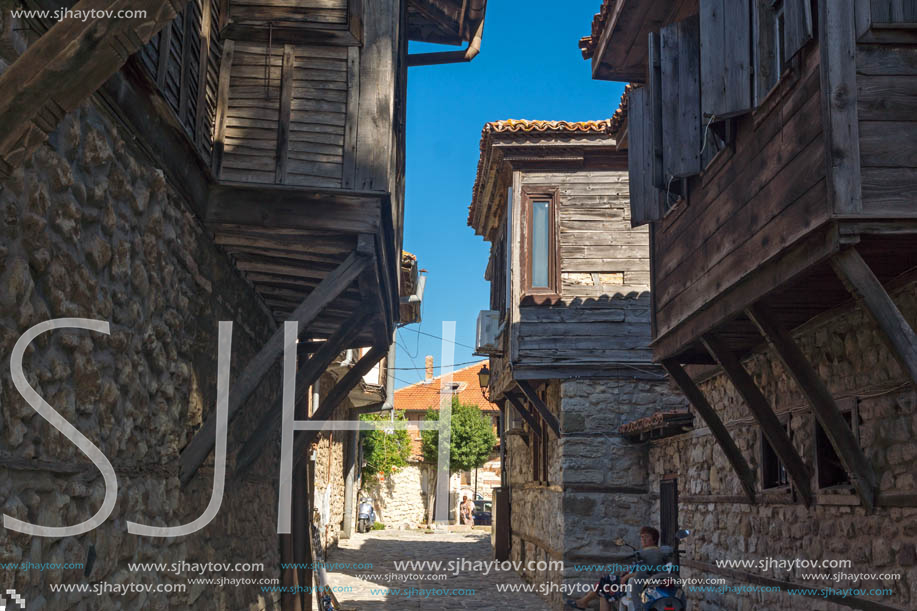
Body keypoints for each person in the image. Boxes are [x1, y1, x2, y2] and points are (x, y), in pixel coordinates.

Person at [566, 526, 660, 610]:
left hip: (635, 584)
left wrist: (627, 577)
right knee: (604, 590)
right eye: (642, 537)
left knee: (605, 582)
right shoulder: (646, 552)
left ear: (654, 540)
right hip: (630, 581)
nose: (643, 539)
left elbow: (648, 572)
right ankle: (583, 602)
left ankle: (583, 602)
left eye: (646, 537)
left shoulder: (653, 554)